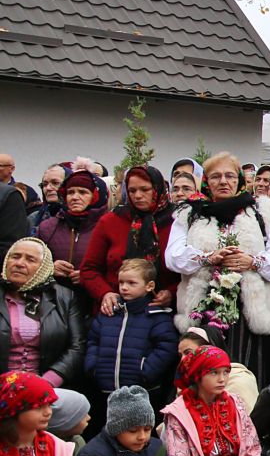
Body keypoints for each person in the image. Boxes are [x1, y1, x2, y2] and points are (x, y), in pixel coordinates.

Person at [165, 153, 270, 380]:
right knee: (201, 372)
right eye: (216, 177)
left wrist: (252, 262)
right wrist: (207, 258)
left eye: (230, 176)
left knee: (241, 373)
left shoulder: (260, 212)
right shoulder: (190, 214)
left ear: (240, 181)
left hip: (246, 310)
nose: (223, 181)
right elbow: (172, 257)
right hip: (202, 309)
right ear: (206, 182)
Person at [81, 165, 177, 316]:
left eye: (145, 189)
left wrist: (172, 293)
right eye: (132, 191)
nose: (138, 195)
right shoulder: (110, 221)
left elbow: (189, 270)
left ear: (158, 189)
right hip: (115, 313)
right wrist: (105, 293)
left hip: (163, 313)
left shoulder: (177, 221)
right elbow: (89, 269)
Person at [83, 257, 178, 397]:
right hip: (105, 390)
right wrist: (93, 368)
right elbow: (93, 342)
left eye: (131, 283)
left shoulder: (157, 317)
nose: (124, 287)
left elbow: (167, 346)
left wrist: (146, 371)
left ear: (149, 286)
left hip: (143, 393)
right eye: (121, 282)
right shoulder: (108, 313)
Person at [2, 238, 86, 391]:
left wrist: (46, 383)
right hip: (2, 387)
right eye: (15, 256)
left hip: (47, 387)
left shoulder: (65, 298)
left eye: (30, 259)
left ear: (43, 268)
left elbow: (77, 347)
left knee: (78, 404)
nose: (20, 263)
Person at [36, 168, 108, 297]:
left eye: (82, 192)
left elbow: (119, 268)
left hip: (96, 302)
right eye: (70, 192)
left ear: (96, 195)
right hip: (55, 302)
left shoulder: (109, 227)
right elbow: (31, 262)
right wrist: (50, 268)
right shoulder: (47, 228)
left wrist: (90, 277)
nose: (75, 197)